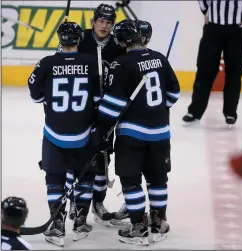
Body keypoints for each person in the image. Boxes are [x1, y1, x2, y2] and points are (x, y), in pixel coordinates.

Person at [93, 19, 180, 245]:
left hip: (132, 135)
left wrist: (101, 130)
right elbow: (173, 95)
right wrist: (156, 110)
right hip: (161, 133)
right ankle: (159, 222)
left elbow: (111, 106)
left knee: (131, 181)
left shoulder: (120, 64)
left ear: (122, 41)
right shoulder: (160, 59)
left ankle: (138, 227)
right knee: (158, 179)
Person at [27, 21, 101, 246]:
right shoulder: (90, 62)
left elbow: (35, 95)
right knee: (85, 177)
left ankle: (57, 223)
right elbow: (98, 100)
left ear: (59, 39)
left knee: (54, 179)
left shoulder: (47, 63)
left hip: (54, 134)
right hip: (84, 134)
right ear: (79, 40)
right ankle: (80, 220)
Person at [67, 3, 125, 227]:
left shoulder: (118, 46)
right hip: (80, 109)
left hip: (107, 111)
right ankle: (74, 200)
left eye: (109, 22)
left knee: (102, 157)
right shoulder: (80, 39)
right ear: (93, 21)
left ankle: (97, 202)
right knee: (75, 157)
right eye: (101, 20)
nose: (104, 25)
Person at [182, 0, 242, 126]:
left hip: (237, 30)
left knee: (234, 72)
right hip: (213, 28)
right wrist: (206, 11)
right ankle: (194, 112)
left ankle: (230, 113)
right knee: (204, 69)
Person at [110, 19, 153, 226]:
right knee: (146, 173)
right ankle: (143, 209)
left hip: (132, 128)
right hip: (155, 128)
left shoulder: (126, 61)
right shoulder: (156, 58)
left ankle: (138, 213)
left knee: (133, 171)